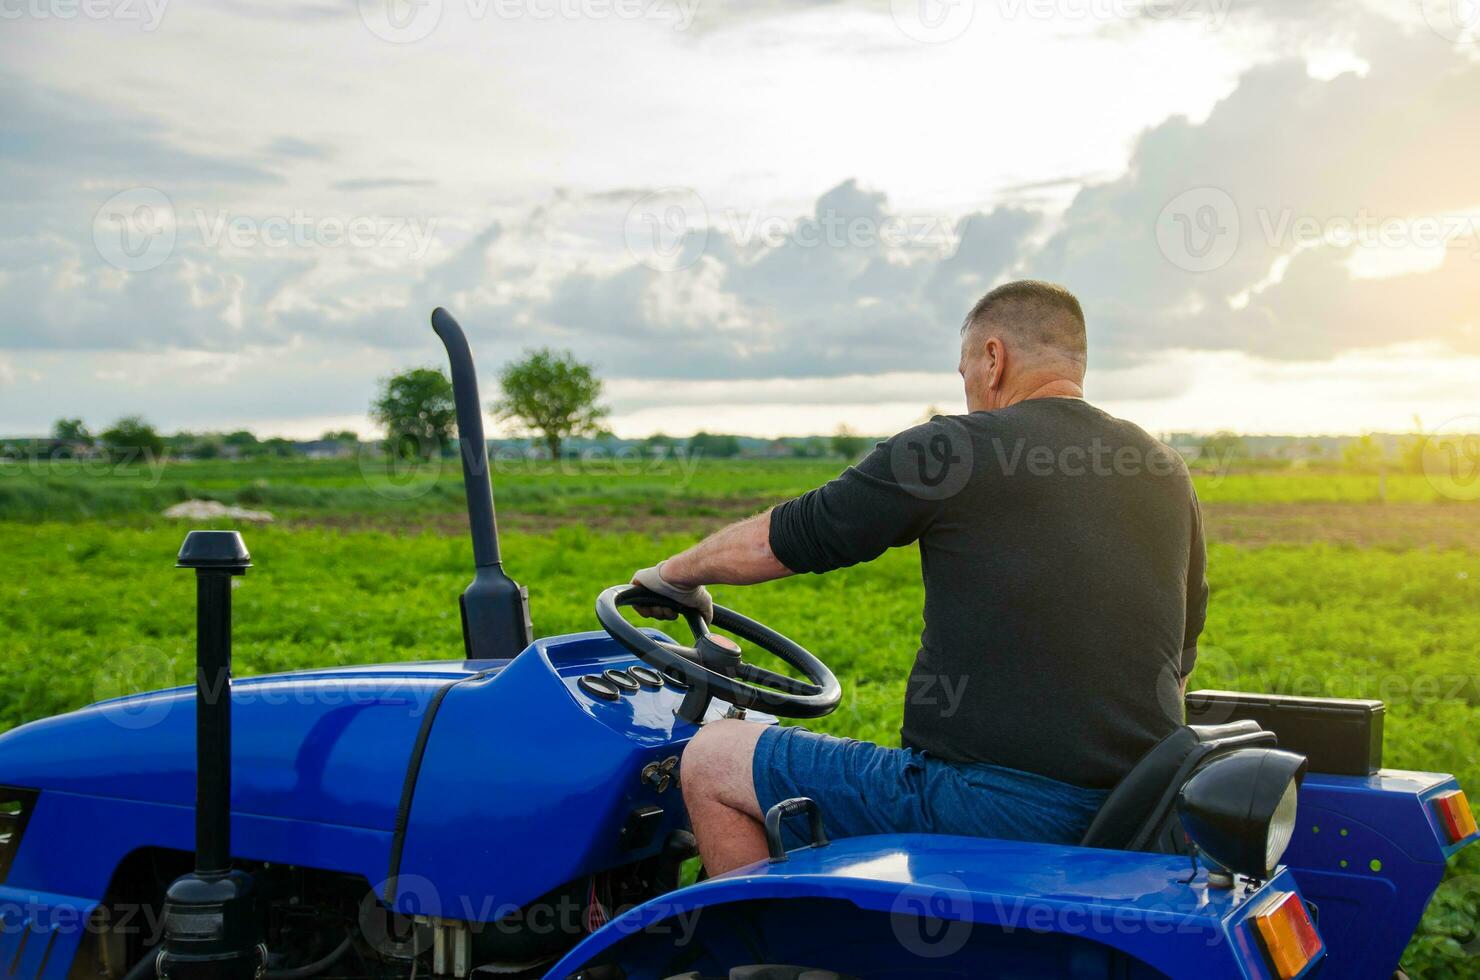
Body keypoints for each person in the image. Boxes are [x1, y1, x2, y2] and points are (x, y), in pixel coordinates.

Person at [630, 280, 1208, 875]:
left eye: (964, 374)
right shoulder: (1162, 466)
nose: (968, 393)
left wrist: (673, 575)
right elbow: (1181, 658)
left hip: (986, 802)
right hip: (1137, 810)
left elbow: (788, 537)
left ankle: (754, 957)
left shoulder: (953, 448)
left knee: (713, 759)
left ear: (992, 357)